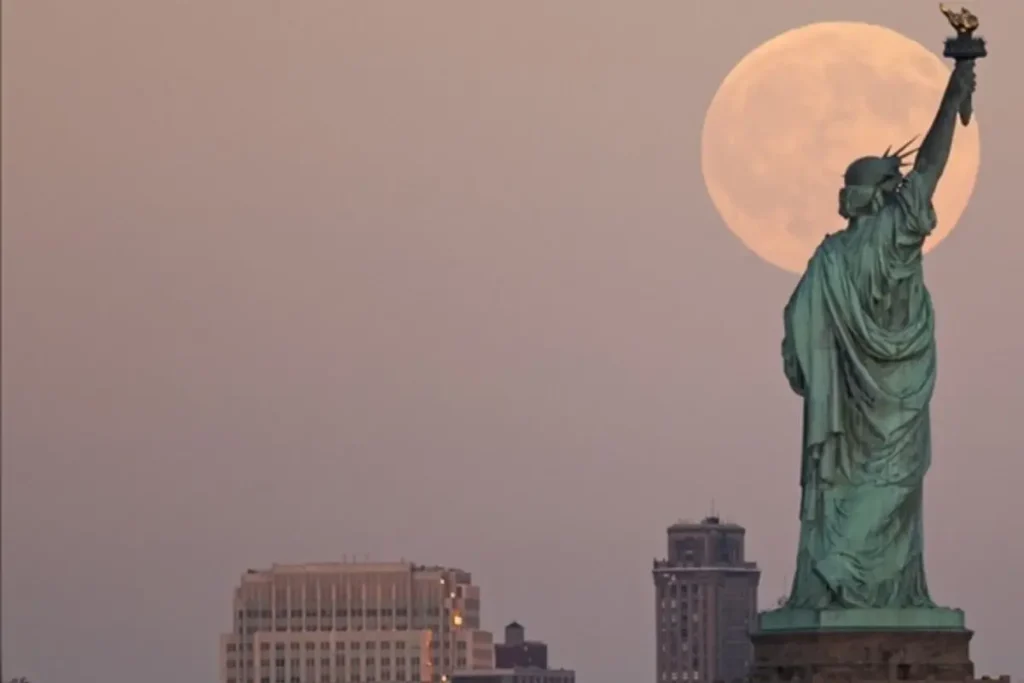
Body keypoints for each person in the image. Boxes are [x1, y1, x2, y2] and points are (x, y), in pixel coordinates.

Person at [780, 59, 976, 609]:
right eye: (894, 185)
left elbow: (796, 342)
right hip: (899, 399)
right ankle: (877, 593)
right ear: (881, 195)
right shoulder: (896, 233)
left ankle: (841, 584)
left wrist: (822, 379)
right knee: (894, 494)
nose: (901, 191)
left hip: (845, 415)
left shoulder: (827, 260)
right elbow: (933, 164)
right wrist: (956, 86)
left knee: (849, 496)